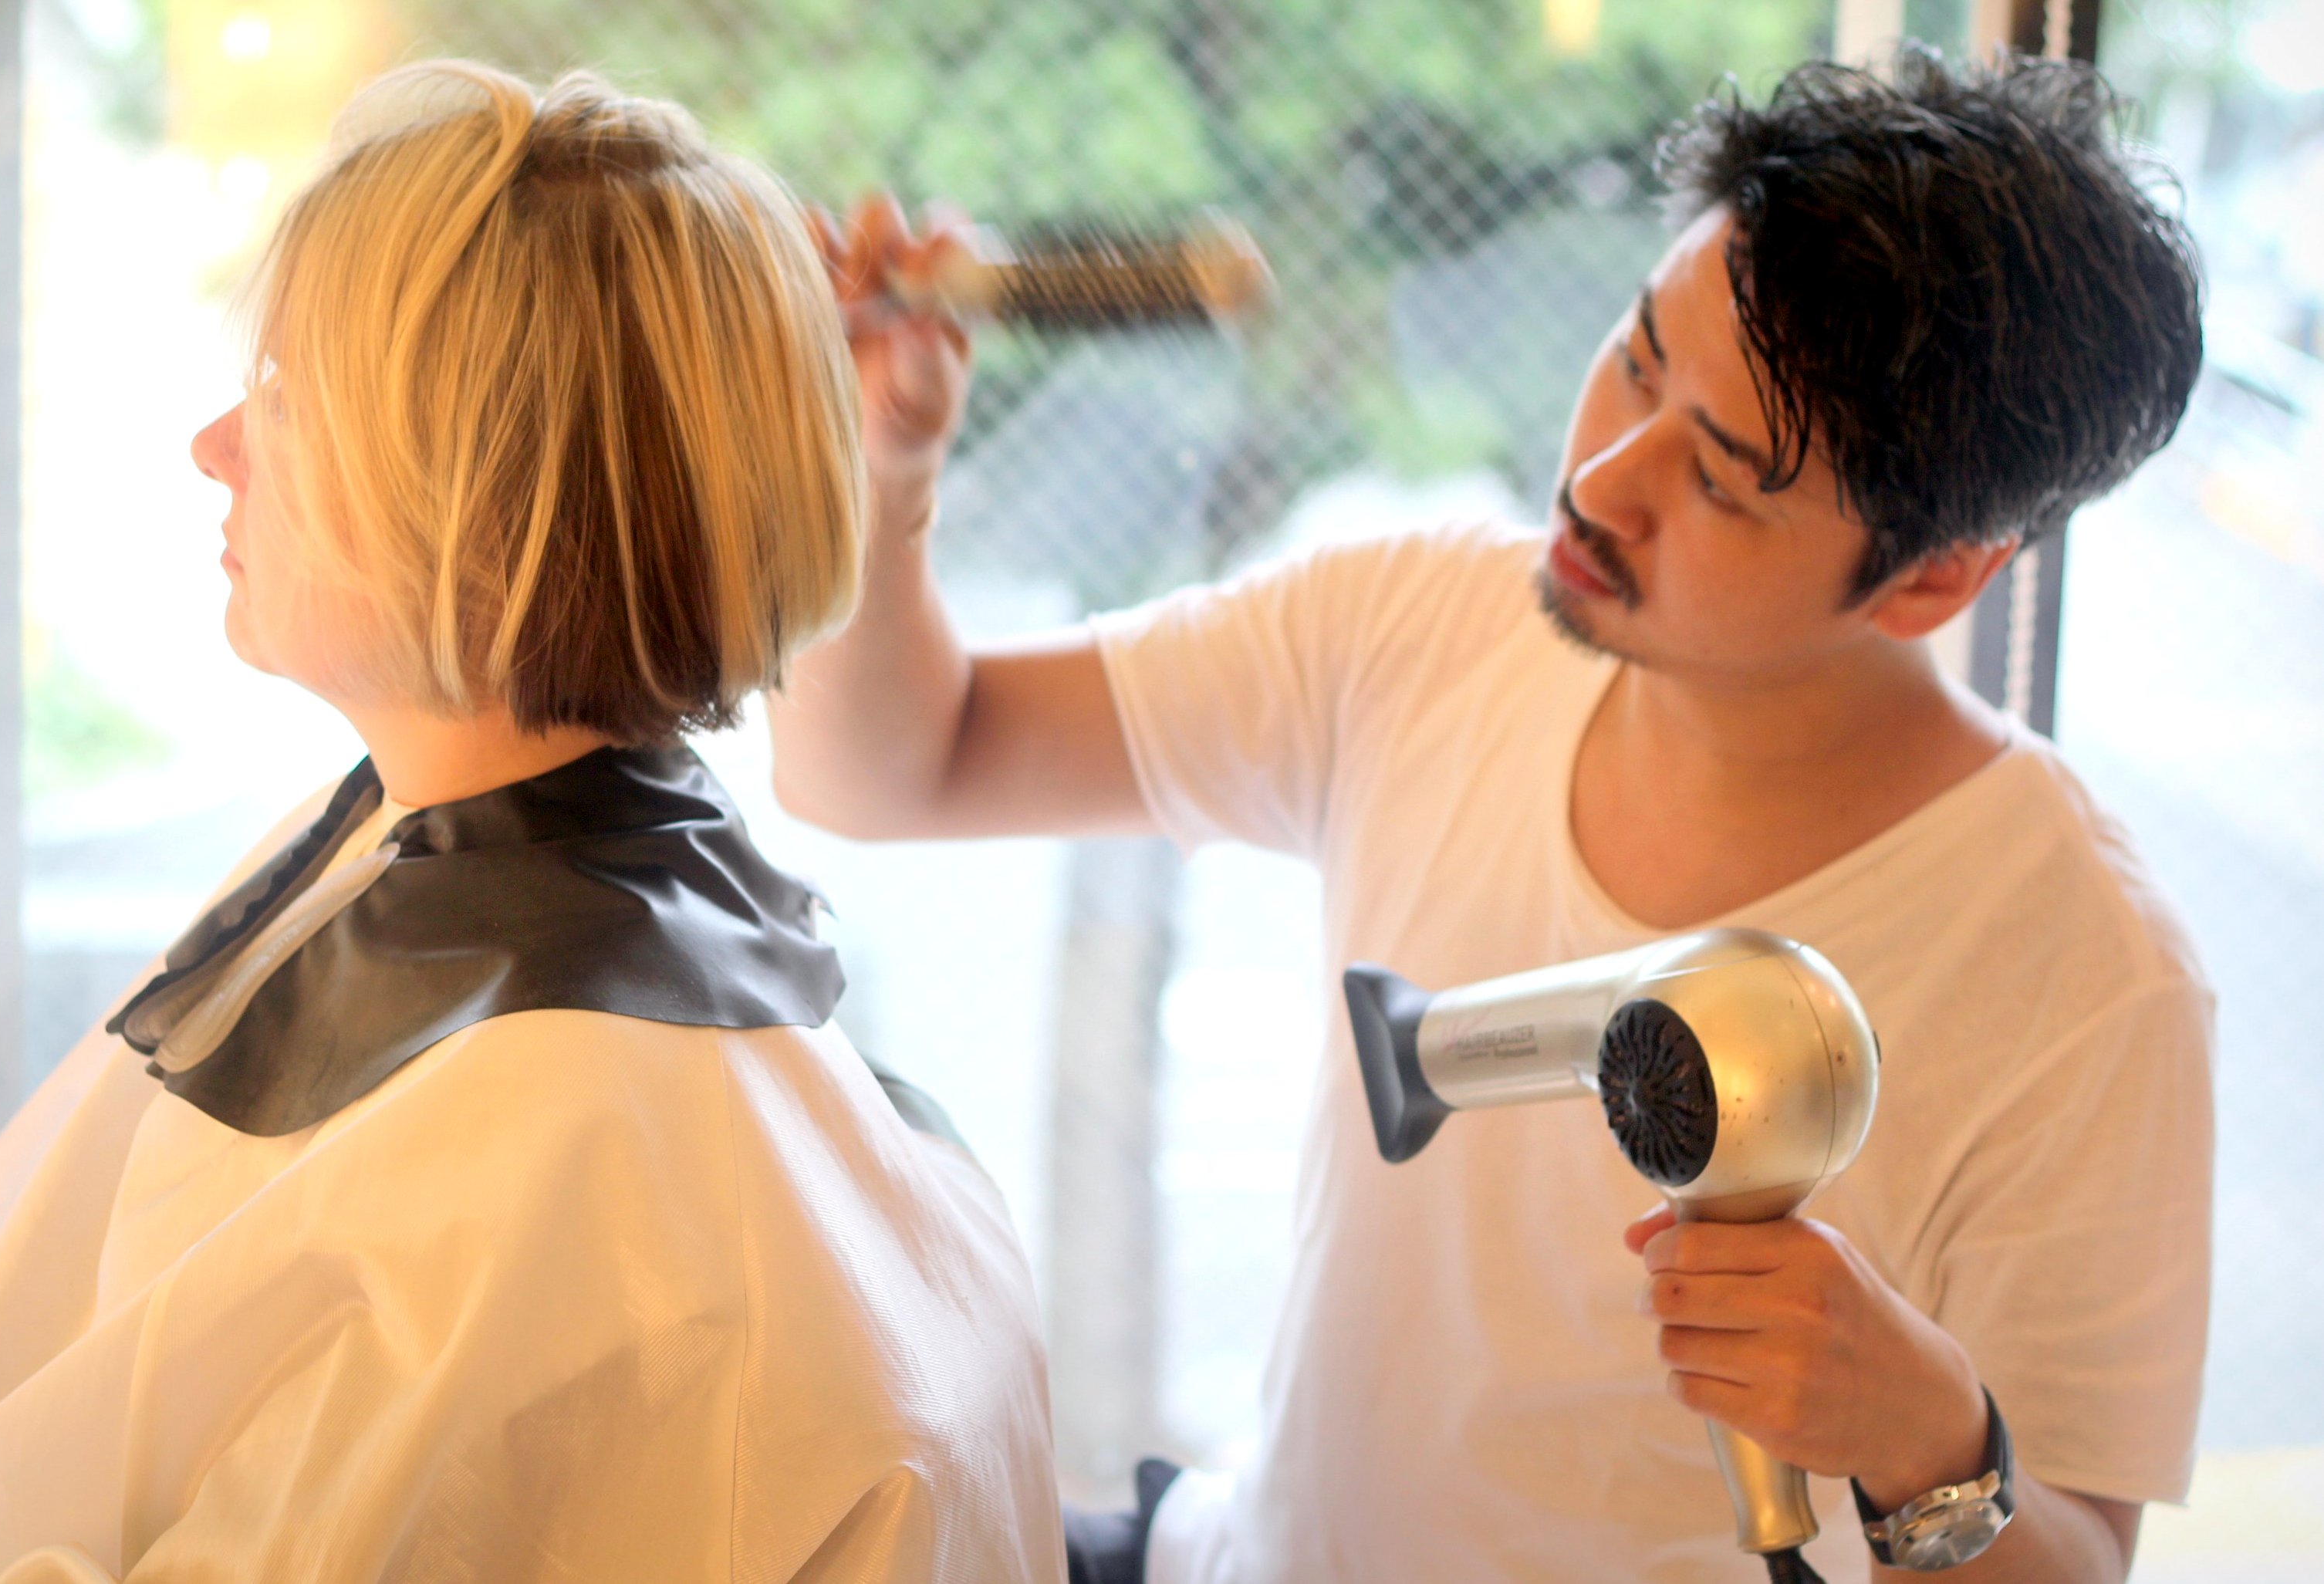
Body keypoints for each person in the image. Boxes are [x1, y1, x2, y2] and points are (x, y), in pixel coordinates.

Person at [772, 49, 2212, 1584]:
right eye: (1640, 358)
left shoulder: (2081, 977)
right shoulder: (1423, 623)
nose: (1599, 476)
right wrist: (886, 463)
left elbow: (2068, 1559)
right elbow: (889, 768)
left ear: (1934, 576)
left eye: (1722, 481)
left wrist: (1927, 1438)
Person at [0, 62, 1063, 1582]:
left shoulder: (553, 1170)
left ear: (467, 494)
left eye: (284, 395)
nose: (217, 444)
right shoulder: (405, 829)